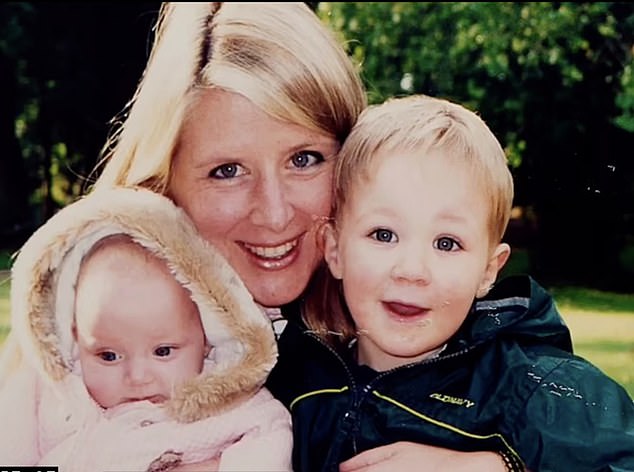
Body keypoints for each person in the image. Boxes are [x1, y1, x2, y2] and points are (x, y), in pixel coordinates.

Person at [0, 3, 511, 470]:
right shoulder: (91, 318)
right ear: (164, 179)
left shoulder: (414, 314)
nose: (273, 213)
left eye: (304, 159)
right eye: (226, 171)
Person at [267, 94, 634, 472]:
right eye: (383, 234)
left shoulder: (529, 387)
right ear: (334, 250)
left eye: (447, 243)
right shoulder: (295, 374)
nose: (412, 269)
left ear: (489, 271)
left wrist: (500, 468)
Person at [1, 186, 292, 470]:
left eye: (163, 351)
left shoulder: (232, 406)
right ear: (76, 339)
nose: (138, 378)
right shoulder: (53, 396)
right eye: (108, 356)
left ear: (206, 338)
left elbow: (272, 437)